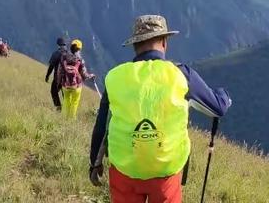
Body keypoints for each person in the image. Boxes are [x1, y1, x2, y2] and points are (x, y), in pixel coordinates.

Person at [89, 15, 232, 203]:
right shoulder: (181, 74)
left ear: (135, 45)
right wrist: (224, 94)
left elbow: (102, 126)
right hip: (166, 169)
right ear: (164, 41)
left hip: (125, 168)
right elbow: (218, 108)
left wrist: (95, 163)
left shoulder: (115, 77)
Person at [58, 39, 94, 119]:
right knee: (74, 102)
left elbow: (60, 72)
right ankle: (71, 119)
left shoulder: (64, 57)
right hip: (77, 85)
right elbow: (84, 75)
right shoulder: (80, 60)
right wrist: (91, 76)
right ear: (80, 49)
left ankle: (64, 118)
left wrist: (59, 82)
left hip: (65, 85)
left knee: (66, 100)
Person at [45, 37, 68, 110]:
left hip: (58, 78)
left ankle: (58, 107)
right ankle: (66, 109)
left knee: (53, 91)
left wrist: (47, 76)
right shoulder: (69, 54)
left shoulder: (56, 53)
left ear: (58, 45)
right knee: (65, 94)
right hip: (67, 78)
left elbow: (51, 66)